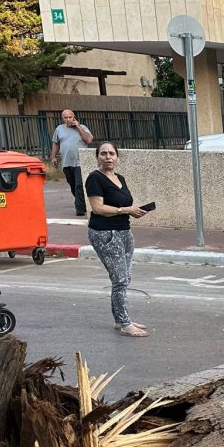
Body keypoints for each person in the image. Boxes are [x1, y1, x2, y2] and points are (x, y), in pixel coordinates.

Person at [84, 142, 149, 337]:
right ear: (97, 157)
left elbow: (124, 203)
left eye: (111, 153)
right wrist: (126, 210)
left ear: (117, 158)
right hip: (105, 233)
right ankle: (125, 323)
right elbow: (98, 208)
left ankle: (119, 318)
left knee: (125, 277)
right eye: (103, 154)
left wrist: (134, 210)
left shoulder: (120, 178)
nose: (108, 157)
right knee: (119, 279)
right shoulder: (95, 178)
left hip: (124, 231)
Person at [50, 109, 94, 217]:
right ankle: (82, 204)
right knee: (73, 185)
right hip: (66, 162)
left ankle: (79, 209)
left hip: (79, 162)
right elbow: (56, 143)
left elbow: (88, 140)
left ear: (74, 117)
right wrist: (53, 157)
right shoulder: (59, 129)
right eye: (66, 117)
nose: (68, 119)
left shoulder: (82, 127)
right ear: (62, 118)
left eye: (70, 117)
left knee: (79, 185)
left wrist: (78, 127)